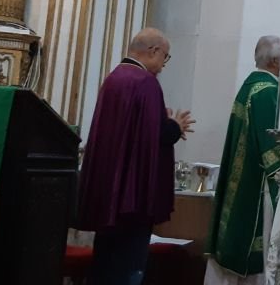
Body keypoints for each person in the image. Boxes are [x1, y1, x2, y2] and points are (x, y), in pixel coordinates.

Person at [77, 28, 195, 285]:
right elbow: (152, 138)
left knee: (105, 263)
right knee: (127, 265)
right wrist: (175, 126)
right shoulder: (145, 83)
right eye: (166, 57)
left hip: (109, 192)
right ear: (154, 51)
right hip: (133, 196)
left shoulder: (114, 78)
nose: (164, 65)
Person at [205, 36, 280, 284]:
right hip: (258, 182)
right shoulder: (268, 91)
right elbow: (271, 147)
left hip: (243, 173)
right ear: (276, 61)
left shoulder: (249, 86)